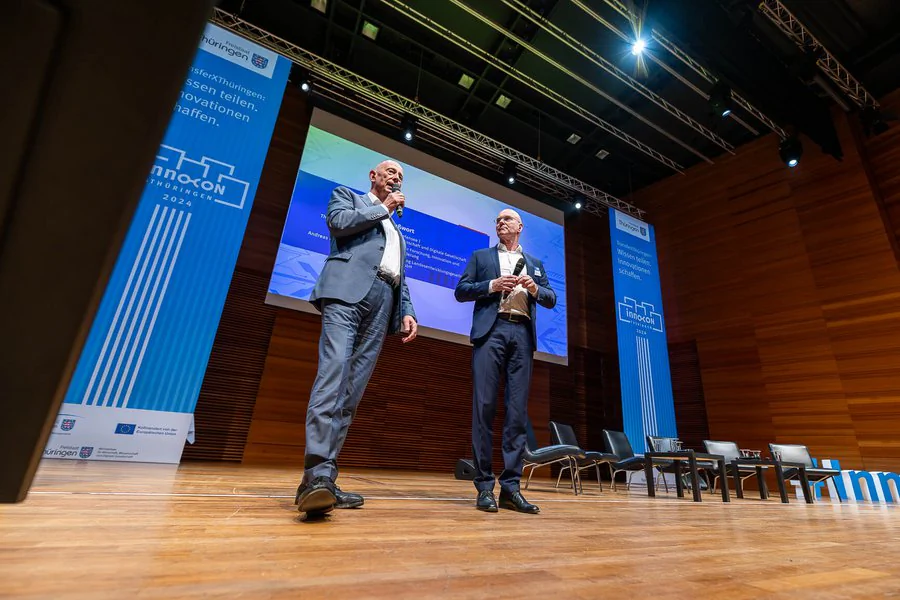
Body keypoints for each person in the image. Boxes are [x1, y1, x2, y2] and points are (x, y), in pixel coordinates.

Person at [294, 160, 417, 519]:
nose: (396, 178)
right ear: (373, 176)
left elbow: (400, 276)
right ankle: (315, 476)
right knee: (332, 380)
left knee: (351, 393)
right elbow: (339, 224)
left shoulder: (397, 232)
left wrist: (406, 309)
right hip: (346, 294)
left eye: (400, 176)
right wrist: (383, 208)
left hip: (383, 301)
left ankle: (324, 482)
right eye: (390, 172)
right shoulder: (348, 197)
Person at [454, 208, 556, 514]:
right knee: (483, 407)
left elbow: (551, 298)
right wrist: (492, 286)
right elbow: (461, 291)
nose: (500, 222)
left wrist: (535, 288)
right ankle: (485, 486)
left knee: (516, 414)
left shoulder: (536, 264)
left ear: (520, 227)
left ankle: (511, 489)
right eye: (497, 219)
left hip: (522, 335)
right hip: (492, 331)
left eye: (507, 219)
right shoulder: (481, 257)